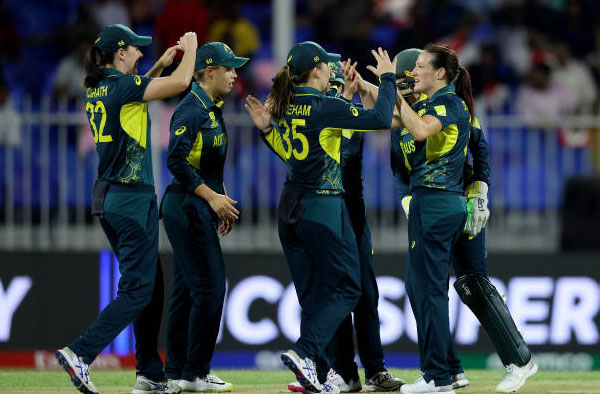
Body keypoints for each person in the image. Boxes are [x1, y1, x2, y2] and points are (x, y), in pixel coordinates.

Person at [244, 41, 397, 394]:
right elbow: (377, 119)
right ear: (315, 70)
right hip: (323, 205)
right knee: (347, 287)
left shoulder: (288, 105)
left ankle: (320, 371)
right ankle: (306, 353)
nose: (330, 70)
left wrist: (268, 131)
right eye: (325, 66)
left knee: (314, 296)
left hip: (289, 206)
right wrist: (387, 79)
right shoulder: (324, 106)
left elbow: (289, 153)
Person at [54, 24, 197, 394]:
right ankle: (80, 353)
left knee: (152, 287)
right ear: (120, 53)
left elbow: (129, 98)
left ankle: (149, 372)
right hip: (132, 197)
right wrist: (190, 50)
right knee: (137, 290)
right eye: (136, 49)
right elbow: (182, 84)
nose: (141, 54)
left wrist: (157, 68)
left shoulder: (99, 88)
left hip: (109, 197)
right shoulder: (122, 86)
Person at [390, 48, 538, 393]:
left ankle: (516, 361)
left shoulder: (451, 107)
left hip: (459, 198)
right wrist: (406, 197)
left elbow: (480, 150)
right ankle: (452, 369)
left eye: (409, 75)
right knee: (429, 287)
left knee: (471, 285)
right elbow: (400, 167)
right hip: (430, 200)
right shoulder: (408, 114)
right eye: (402, 78)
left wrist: (480, 193)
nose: (407, 82)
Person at [286, 60, 405, 393]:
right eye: (333, 84)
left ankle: (374, 370)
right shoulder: (328, 113)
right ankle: (339, 370)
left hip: (351, 212)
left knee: (365, 291)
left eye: (339, 85)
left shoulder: (335, 111)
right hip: (331, 211)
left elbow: (386, 120)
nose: (336, 89)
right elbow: (382, 120)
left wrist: (366, 89)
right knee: (339, 290)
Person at [161, 41, 249, 393]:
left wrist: (219, 197)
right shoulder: (192, 109)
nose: (234, 74)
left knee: (185, 291)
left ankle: (178, 372)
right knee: (211, 288)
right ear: (208, 71)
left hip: (199, 205)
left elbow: (205, 162)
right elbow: (176, 161)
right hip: (186, 206)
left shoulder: (210, 106)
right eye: (228, 68)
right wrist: (211, 198)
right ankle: (196, 373)